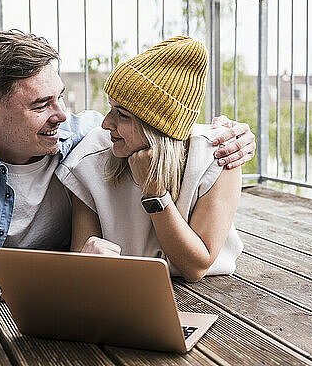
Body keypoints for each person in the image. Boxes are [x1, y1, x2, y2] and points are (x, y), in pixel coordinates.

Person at [0, 31, 256, 304]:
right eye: (41, 104)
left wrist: (233, 135)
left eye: (61, 95)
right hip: (3, 292)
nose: (62, 115)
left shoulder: (83, 136)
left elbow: (158, 124)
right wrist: (65, 272)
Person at [56, 36, 242, 281]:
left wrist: (155, 193)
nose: (106, 123)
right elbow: (84, 255)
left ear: (157, 128)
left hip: (213, 290)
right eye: (110, 108)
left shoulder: (217, 154)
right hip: (120, 286)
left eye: (121, 114)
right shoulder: (91, 158)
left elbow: (195, 267)